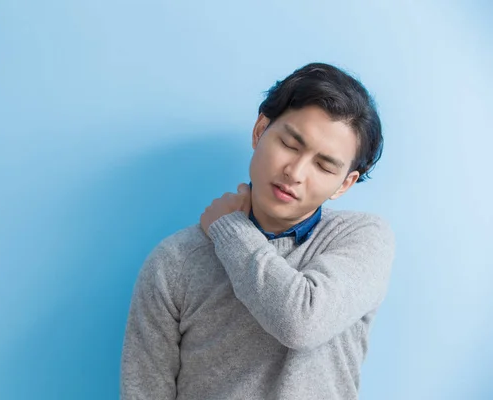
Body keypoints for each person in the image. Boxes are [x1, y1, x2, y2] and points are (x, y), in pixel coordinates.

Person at [120, 62, 395, 400]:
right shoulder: (175, 261)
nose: (295, 172)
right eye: (290, 145)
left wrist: (230, 230)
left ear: (344, 184)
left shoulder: (360, 238)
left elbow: (301, 322)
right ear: (260, 130)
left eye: (324, 166)